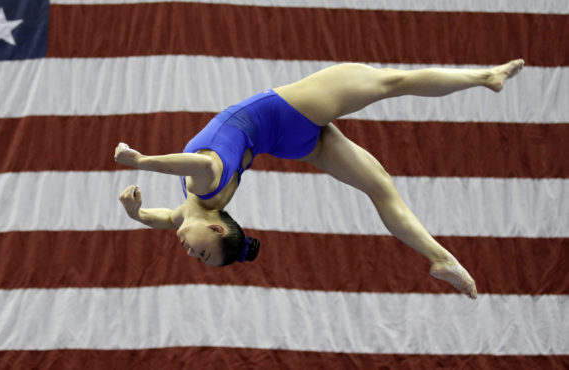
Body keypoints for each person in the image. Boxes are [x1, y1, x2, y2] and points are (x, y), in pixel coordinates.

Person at [115, 59, 525, 299]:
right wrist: (142, 161)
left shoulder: (186, 211)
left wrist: (135, 212)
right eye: (203, 254)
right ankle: (484, 77)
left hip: (289, 140)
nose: (190, 254)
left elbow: (157, 218)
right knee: (391, 83)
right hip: (288, 112)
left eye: (199, 257)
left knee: (380, 186)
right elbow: (198, 165)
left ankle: (439, 257)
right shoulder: (205, 188)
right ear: (217, 227)